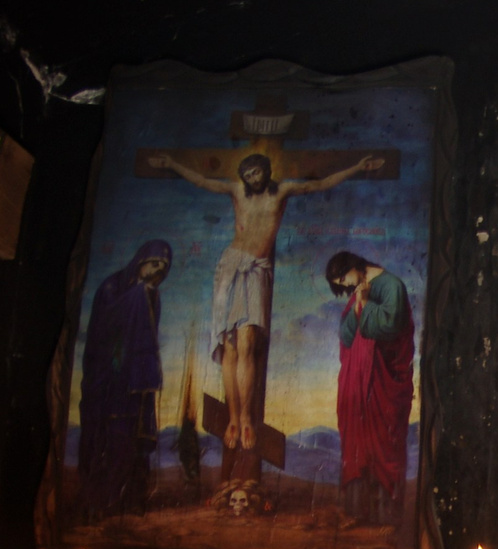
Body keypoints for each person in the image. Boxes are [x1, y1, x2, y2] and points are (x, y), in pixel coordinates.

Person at [147, 149, 384, 499]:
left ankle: (245, 418)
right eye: (248, 175)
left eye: (257, 173)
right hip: (230, 267)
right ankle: (233, 418)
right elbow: (204, 181)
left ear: (267, 171)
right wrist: (171, 164)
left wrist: (357, 167)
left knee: (247, 343)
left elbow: (319, 184)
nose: (253, 179)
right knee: (229, 347)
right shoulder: (236, 192)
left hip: (257, 270)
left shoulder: (282, 191)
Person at [78, 240, 173, 518]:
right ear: (140, 261)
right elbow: (106, 331)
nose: (158, 271)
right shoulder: (112, 288)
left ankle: (130, 500)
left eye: (164, 267)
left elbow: (147, 338)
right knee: (108, 439)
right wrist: (138, 295)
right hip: (110, 380)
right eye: (154, 263)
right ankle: (100, 503)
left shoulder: (151, 295)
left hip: (136, 383)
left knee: (133, 440)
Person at [325, 251, 415, 526]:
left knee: (383, 443)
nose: (345, 285)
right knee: (357, 444)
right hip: (357, 382)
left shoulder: (392, 286)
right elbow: (346, 336)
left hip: (382, 380)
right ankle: (357, 512)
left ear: (353, 266)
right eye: (340, 284)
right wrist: (357, 307)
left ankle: (386, 517)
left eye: (344, 278)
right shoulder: (358, 291)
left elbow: (390, 327)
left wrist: (365, 304)